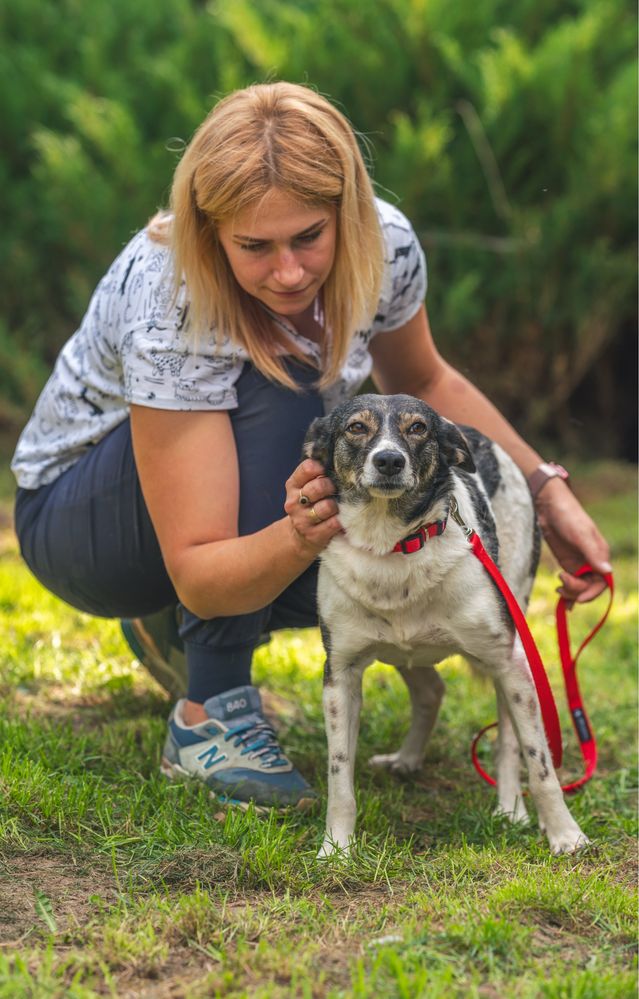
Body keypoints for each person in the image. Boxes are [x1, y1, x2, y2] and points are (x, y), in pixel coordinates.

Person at [11, 81, 611, 810]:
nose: (288, 271)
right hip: (83, 522)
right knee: (287, 374)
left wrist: (545, 490)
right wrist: (299, 535)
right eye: (254, 246)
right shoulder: (170, 291)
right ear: (210, 231)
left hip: (232, 496)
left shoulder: (385, 242)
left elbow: (421, 379)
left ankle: (171, 631)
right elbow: (202, 567)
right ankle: (211, 712)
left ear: (346, 211)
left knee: (397, 534)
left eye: (308, 237)